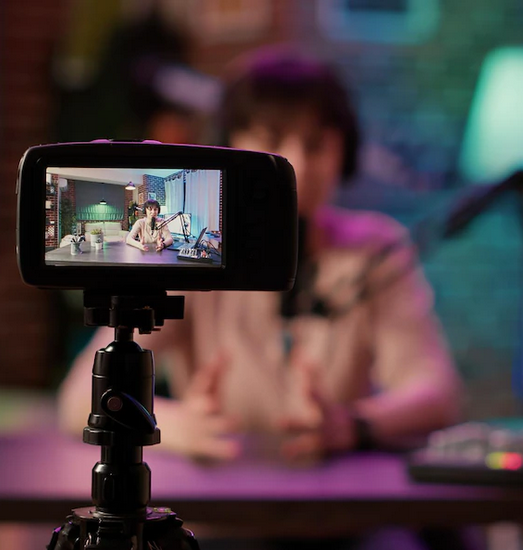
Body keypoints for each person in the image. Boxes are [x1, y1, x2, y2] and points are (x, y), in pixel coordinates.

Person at [59, 49, 462, 465]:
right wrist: (176, 425)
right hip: (222, 493)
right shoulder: (191, 248)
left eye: (315, 145)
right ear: (230, 146)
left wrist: (351, 425)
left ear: (344, 151)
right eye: (271, 141)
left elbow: (436, 392)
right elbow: (78, 397)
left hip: (335, 495)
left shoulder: (377, 249)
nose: (297, 165)